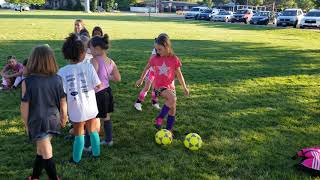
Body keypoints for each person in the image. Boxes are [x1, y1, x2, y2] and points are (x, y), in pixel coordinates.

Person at [21, 45, 67, 180]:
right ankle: (34, 177)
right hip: (54, 120)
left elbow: (24, 106)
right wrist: (64, 116)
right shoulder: (58, 79)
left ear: (33, 61)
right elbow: (63, 101)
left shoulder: (27, 82)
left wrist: (26, 123)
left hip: (37, 122)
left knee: (46, 152)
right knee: (41, 150)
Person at [58, 33, 101, 164]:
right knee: (93, 131)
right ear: (82, 53)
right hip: (91, 106)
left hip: (76, 108)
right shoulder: (88, 66)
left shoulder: (62, 72)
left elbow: (62, 94)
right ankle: (96, 154)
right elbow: (98, 85)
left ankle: (76, 160)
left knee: (79, 134)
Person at [136, 34, 189, 132]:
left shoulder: (174, 59)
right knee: (172, 98)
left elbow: (179, 75)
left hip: (171, 88)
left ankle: (168, 131)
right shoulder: (155, 58)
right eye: (156, 50)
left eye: (160, 49)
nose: (158, 52)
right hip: (158, 87)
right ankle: (159, 118)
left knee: (172, 110)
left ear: (167, 46)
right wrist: (141, 79)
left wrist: (184, 87)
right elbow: (146, 67)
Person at [90, 34, 121, 146]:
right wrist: (107, 77)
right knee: (106, 116)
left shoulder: (94, 60)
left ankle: (91, 141)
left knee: (93, 117)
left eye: (90, 48)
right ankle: (109, 140)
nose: (89, 50)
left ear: (97, 48)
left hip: (98, 93)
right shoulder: (111, 61)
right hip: (107, 91)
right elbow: (118, 78)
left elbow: (92, 77)